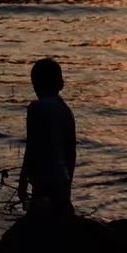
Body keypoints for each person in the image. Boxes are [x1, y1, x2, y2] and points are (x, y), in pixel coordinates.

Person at [18, 58, 76, 215]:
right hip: (62, 180)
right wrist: (68, 183)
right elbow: (71, 153)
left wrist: (22, 182)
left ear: (37, 84)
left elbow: (31, 147)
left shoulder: (35, 108)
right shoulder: (66, 110)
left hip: (43, 180)